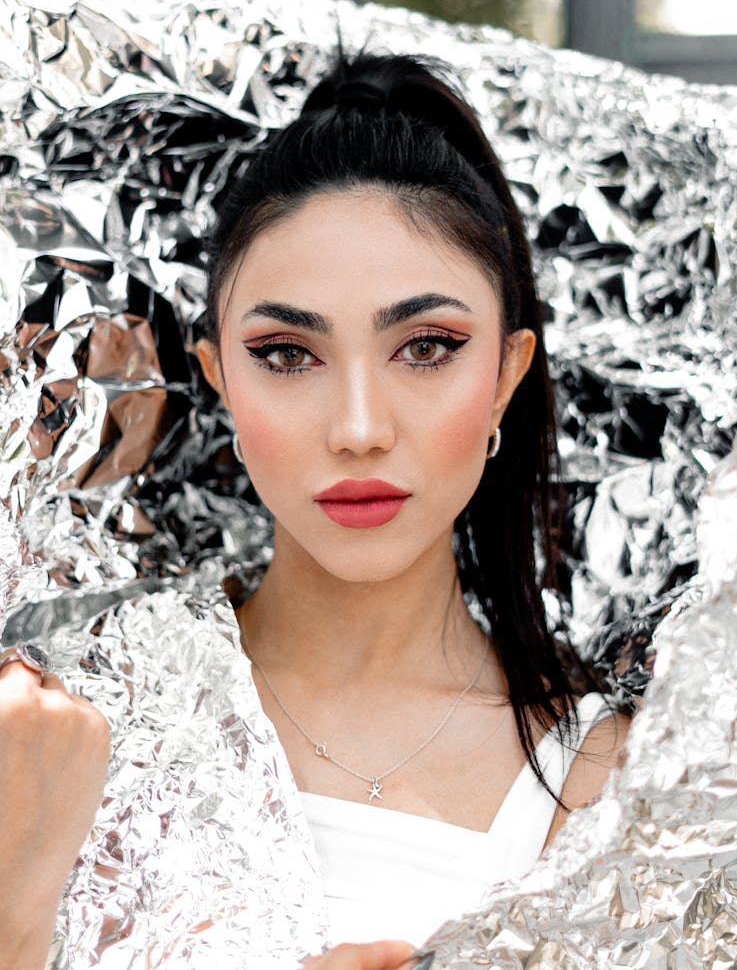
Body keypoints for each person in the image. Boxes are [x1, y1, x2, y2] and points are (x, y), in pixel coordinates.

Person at [0, 52, 629, 969]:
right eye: (289, 354)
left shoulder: (607, 786)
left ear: (505, 377)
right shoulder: (56, 741)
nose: (359, 428)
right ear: (219, 379)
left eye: (427, 346)